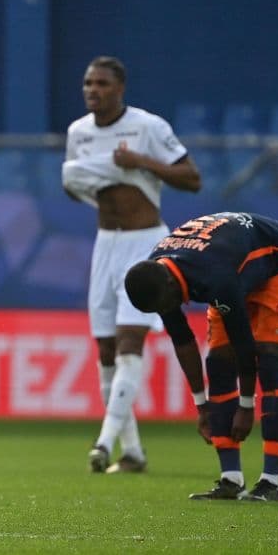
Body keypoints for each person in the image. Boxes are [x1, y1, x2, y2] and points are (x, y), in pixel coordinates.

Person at [62, 56, 201, 474]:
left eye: (101, 83)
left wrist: (141, 162)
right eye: (88, 83)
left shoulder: (147, 126)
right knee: (105, 347)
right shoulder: (78, 133)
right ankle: (133, 452)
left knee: (128, 344)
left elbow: (192, 178)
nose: (92, 90)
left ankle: (103, 443)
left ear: (120, 88)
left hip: (145, 245)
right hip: (105, 244)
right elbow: (77, 188)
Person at [125, 212, 278, 502]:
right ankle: (230, 480)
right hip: (236, 263)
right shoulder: (155, 276)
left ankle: (270, 483)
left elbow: (244, 346)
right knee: (219, 364)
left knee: (270, 362)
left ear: (173, 287)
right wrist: (201, 406)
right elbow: (182, 340)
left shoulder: (215, 277)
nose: (168, 310)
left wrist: (246, 407)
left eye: (166, 305)